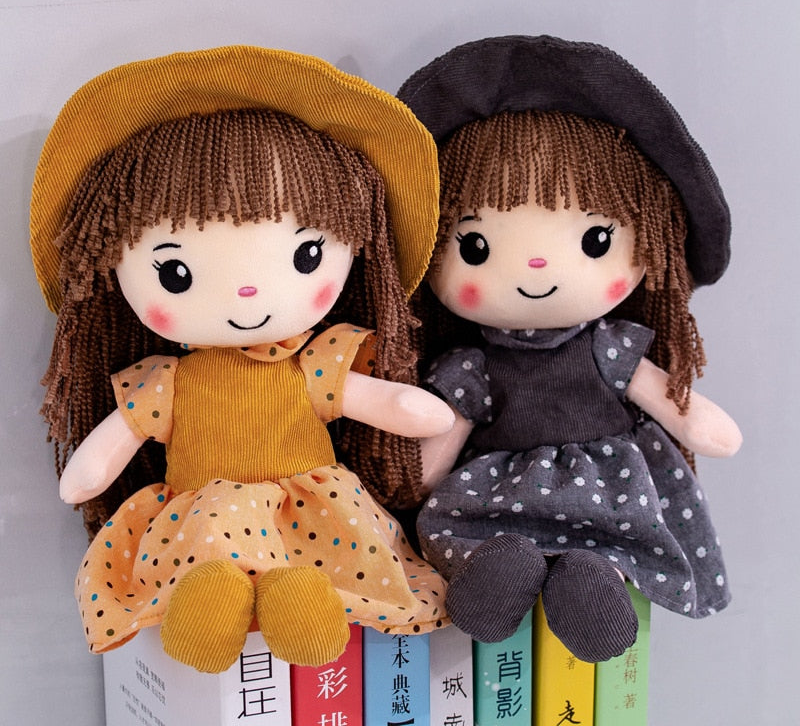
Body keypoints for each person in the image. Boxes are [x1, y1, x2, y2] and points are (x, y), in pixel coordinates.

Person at [31, 46, 453, 672]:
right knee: (213, 550)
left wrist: (409, 407)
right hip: (205, 516)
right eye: (175, 272)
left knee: (304, 573)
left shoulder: (311, 365)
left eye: (305, 256)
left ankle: (293, 599)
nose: (248, 293)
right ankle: (219, 600)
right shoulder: (166, 382)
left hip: (312, 516)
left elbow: (392, 405)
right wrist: (85, 477)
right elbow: (93, 469)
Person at [399, 35, 742, 662]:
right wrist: (407, 487)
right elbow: (431, 467)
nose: (536, 268)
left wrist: (702, 426)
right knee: (463, 532)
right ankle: (495, 572)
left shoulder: (611, 349)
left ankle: (595, 581)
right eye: (475, 247)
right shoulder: (474, 367)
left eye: (593, 242)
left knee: (612, 545)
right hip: (497, 491)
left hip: (609, 490)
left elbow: (691, 418)